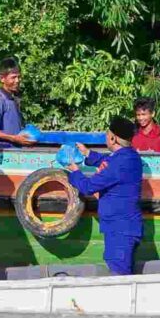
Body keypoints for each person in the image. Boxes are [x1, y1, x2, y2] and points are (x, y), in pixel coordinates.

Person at [65, 116, 143, 275]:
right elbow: (107, 159)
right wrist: (87, 153)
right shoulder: (131, 156)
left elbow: (88, 187)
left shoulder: (118, 164)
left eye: (107, 134)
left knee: (119, 274)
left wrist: (75, 172)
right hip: (126, 225)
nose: (105, 137)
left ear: (113, 138)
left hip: (119, 229)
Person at [0, 58, 34, 147]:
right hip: (4, 152)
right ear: (2, 78)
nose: (17, 81)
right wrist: (13, 138)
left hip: (15, 152)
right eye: (13, 77)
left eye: (19, 77)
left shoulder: (13, 99)